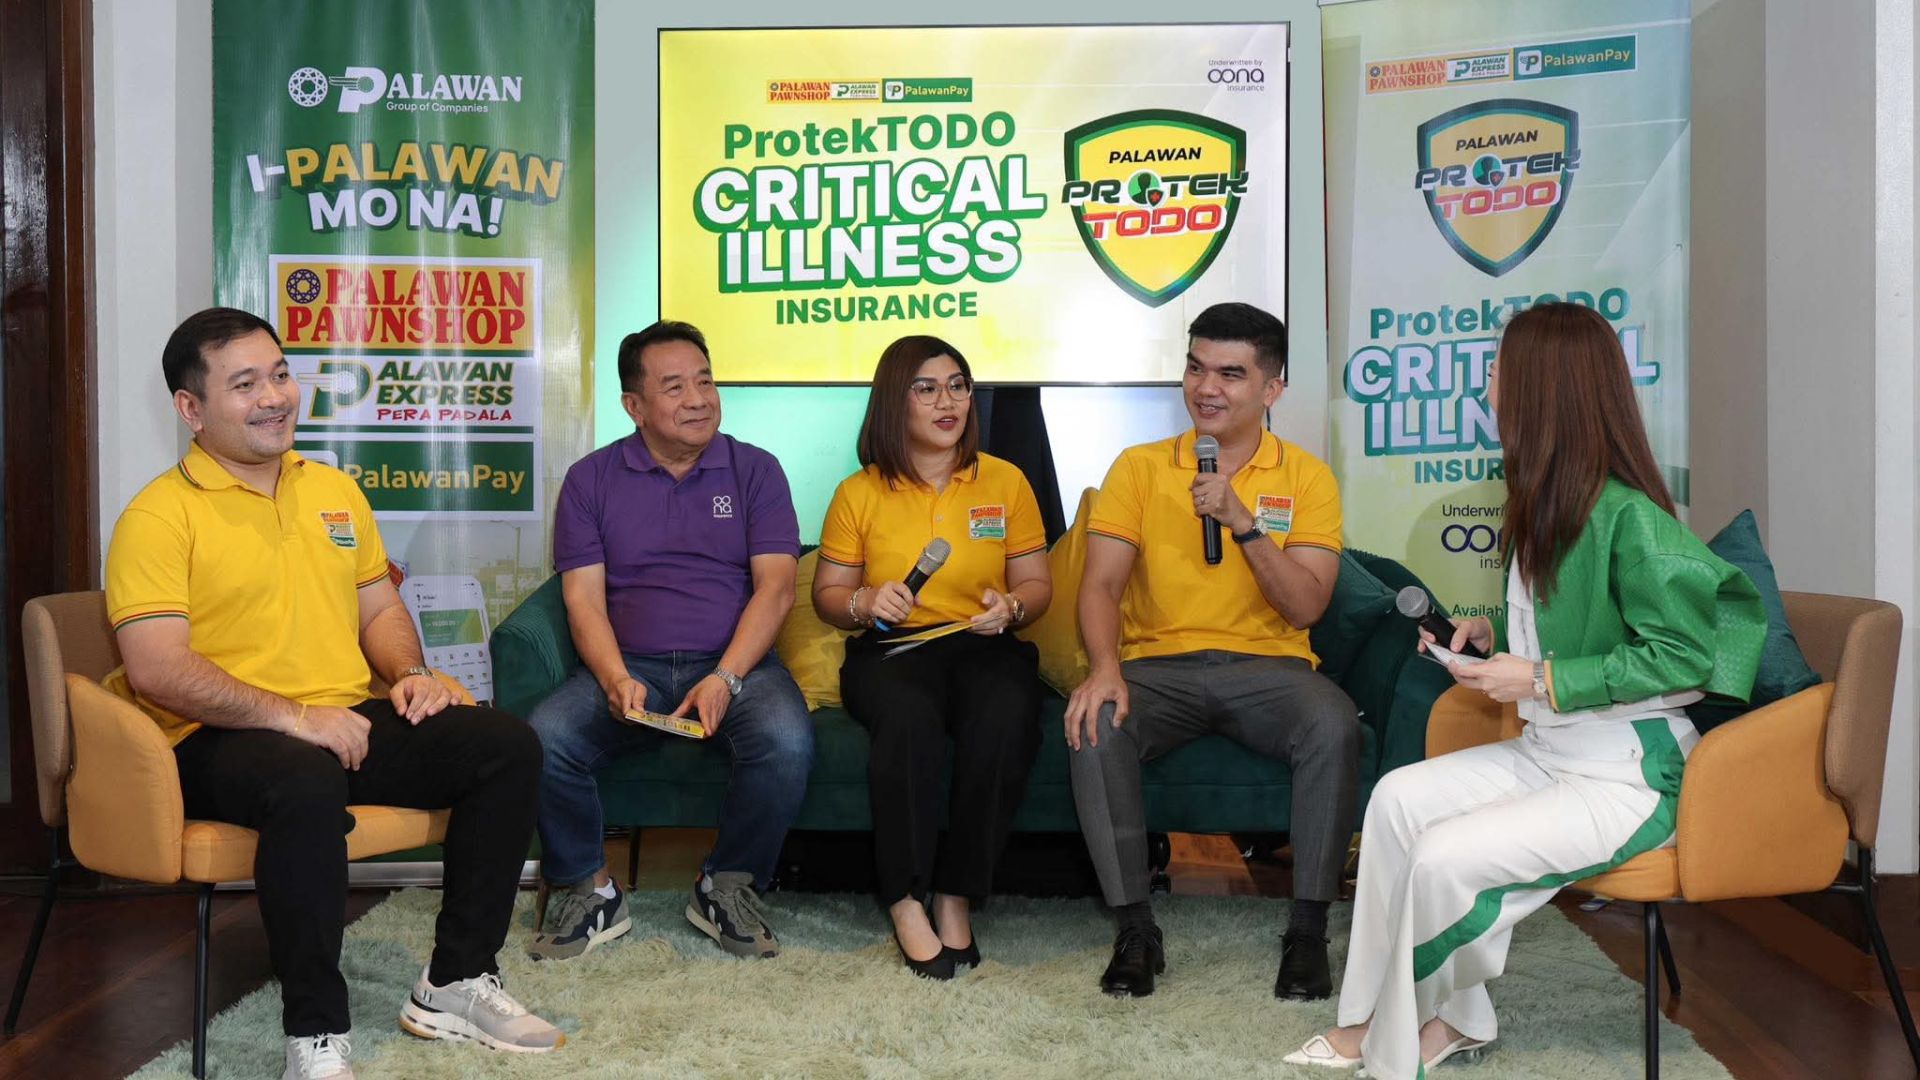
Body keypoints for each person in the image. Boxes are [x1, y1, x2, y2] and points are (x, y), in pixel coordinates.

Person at [1288, 302, 1767, 1078]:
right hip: (1550, 751)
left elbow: (1686, 658)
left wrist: (1537, 677)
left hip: (1632, 778)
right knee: (1397, 802)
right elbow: (1576, 639)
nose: (1487, 382)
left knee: (1443, 857)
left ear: (1545, 388)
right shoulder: (1546, 503)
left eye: (1499, 367)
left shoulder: (1631, 518)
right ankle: (1426, 1018)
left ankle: (1393, 1049)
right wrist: (1495, 642)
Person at [104, 308, 561, 1080]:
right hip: (211, 736)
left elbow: (378, 611)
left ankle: (455, 981)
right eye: (244, 384)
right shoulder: (157, 516)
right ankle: (315, 1037)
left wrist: (409, 674)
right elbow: (156, 669)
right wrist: (295, 718)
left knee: (504, 746)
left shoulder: (334, 490)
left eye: (280, 374)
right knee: (305, 779)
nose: (274, 396)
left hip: (339, 717)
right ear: (191, 408)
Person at [1065, 302, 1360, 999]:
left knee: (1333, 723)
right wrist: (1104, 669)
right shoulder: (1139, 467)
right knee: (1093, 720)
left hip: (1270, 670)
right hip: (1155, 669)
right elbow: (1100, 585)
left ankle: (1307, 932)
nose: (1206, 388)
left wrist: (1243, 523)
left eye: (1230, 374)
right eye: (1196, 368)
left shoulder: (1308, 478)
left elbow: (1306, 607)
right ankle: (1136, 929)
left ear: (1272, 388)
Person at [526, 320, 813, 962]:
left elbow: (776, 589)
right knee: (545, 738)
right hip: (632, 664)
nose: (698, 400)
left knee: (787, 740)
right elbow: (582, 599)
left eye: (705, 382)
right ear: (634, 405)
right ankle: (590, 888)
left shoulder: (756, 470)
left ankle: (726, 884)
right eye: (675, 387)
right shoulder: (591, 479)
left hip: (737, 667)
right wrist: (612, 676)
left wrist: (727, 678)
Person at [811, 334, 1052, 980]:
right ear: (895, 400)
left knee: (1006, 712)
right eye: (927, 389)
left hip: (981, 642)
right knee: (909, 717)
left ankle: (956, 892)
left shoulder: (1005, 480)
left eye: (958, 386)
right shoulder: (859, 492)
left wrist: (1013, 608)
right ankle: (904, 898)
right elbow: (827, 597)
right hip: (893, 649)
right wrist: (864, 602)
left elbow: (1037, 585)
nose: (948, 402)